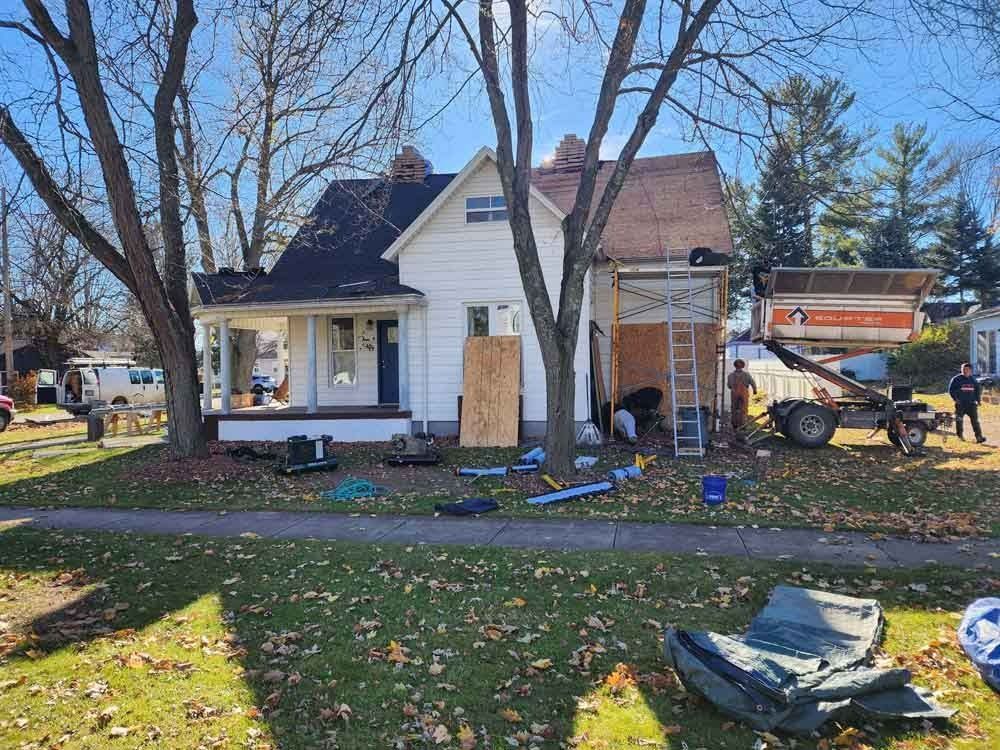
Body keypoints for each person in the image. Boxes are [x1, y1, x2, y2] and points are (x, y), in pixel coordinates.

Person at [949, 362, 986, 443]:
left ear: (970, 370)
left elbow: (977, 391)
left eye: (967, 369)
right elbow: (951, 390)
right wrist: (956, 399)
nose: (965, 371)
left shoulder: (973, 380)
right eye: (963, 369)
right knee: (959, 420)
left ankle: (979, 437)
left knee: (975, 421)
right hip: (960, 404)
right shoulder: (956, 379)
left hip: (971, 404)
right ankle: (960, 436)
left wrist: (978, 401)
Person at [727, 359, 757, 429]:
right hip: (744, 393)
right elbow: (752, 382)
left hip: (734, 394)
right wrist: (755, 390)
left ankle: (735, 424)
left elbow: (729, 386)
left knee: (734, 408)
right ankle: (743, 424)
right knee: (744, 409)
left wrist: (734, 387)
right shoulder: (746, 375)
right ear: (743, 366)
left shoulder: (730, 375)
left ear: (735, 366)